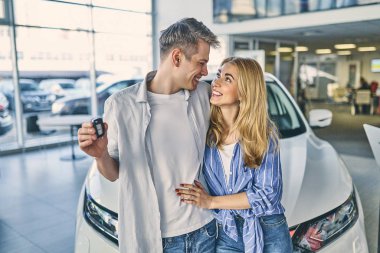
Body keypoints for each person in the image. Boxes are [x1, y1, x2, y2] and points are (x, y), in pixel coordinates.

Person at [77, 18, 220, 253]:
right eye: (201, 63)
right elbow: (112, 174)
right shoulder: (121, 105)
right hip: (157, 238)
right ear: (176, 57)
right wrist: (100, 156)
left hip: (205, 229)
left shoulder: (204, 95)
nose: (205, 72)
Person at [176, 57, 293, 253]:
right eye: (219, 75)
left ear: (245, 91)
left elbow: (267, 195)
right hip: (226, 231)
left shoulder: (263, 134)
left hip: (268, 230)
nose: (216, 82)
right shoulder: (205, 133)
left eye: (227, 79)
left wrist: (211, 201)